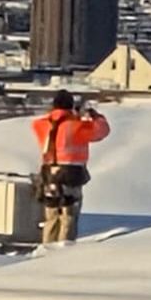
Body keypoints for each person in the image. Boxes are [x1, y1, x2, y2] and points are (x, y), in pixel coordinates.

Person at [31, 90, 110, 243]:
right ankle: (64, 249)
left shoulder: (41, 124)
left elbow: (54, 125)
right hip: (71, 173)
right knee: (68, 214)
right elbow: (101, 131)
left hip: (49, 173)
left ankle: (47, 247)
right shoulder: (77, 126)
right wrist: (95, 116)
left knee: (52, 214)